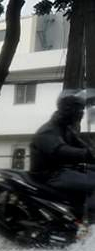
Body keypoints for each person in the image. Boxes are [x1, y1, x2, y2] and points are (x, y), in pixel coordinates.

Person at [29, 91, 95, 219]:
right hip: (49, 176)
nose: (81, 113)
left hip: (64, 171)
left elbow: (82, 145)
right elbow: (61, 151)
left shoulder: (67, 129)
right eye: (78, 109)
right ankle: (88, 224)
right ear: (67, 110)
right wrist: (87, 154)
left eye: (82, 109)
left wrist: (90, 151)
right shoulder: (47, 131)